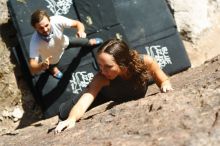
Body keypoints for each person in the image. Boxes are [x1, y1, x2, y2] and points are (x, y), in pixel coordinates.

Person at [54, 38, 173, 133]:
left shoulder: (146, 62)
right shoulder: (101, 78)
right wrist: (72, 118)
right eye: (100, 65)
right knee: (65, 114)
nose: (102, 71)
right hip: (102, 93)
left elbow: (163, 80)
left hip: (122, 96)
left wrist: (165, 85)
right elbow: (84, 102)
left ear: (123, 63)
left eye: (108, 66)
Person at [29, 9, 103, 79]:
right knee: (52, 65)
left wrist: (81, 31)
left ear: (50, 20)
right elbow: (32, 67)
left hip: (64, 42)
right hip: (52, 57)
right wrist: (42, 65)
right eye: (41, 28)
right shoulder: (35, 42)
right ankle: (52, 69)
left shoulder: (57, 20)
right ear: (35, 28)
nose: (45, 30)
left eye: (46, 25)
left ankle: (89, 42)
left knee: (81, 41)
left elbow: (77, 23)